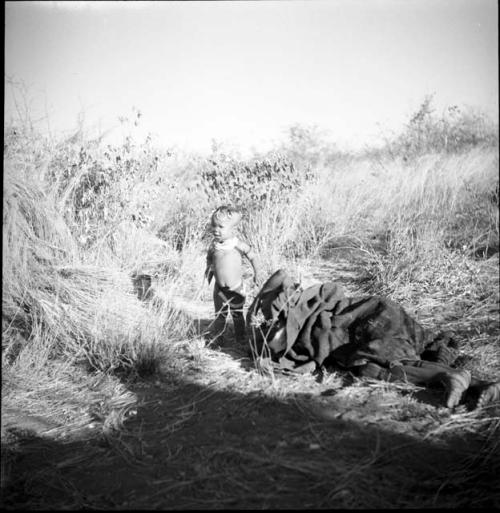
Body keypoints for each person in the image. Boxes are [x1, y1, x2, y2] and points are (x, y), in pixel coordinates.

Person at [205, 205, 260, 345]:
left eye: (221, 227)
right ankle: (219, 338)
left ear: (233, 229)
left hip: (236, 288)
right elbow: (210, 261)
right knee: (220, 315)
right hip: (219, 289)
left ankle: (240, 338)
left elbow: (253, 257)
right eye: (214, 225)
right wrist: (207, 277)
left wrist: (257, 273)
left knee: (237, 315)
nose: (216, 230)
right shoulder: (213, 246)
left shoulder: (238, 245)